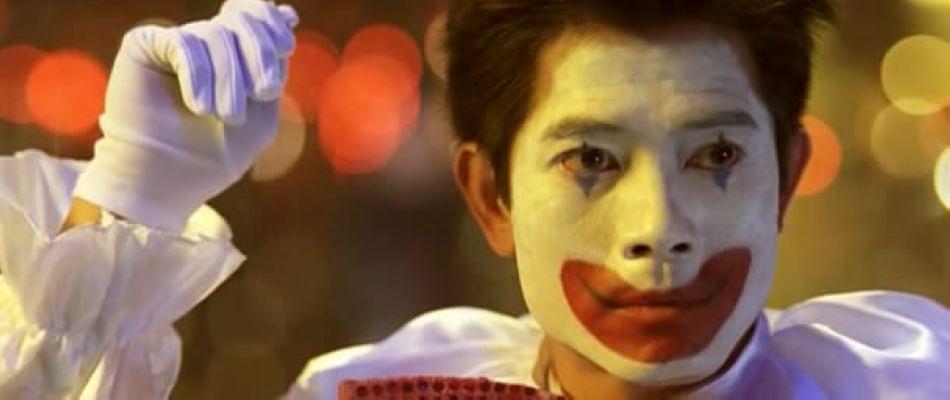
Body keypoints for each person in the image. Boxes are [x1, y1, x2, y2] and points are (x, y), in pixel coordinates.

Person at [0, 1, 947, 400]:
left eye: (717, 157)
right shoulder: (376, 394)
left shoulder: (906, 379)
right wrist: (129, 200)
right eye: (590, 159)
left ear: (785, 178)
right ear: (491, 196)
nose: (659, 231)